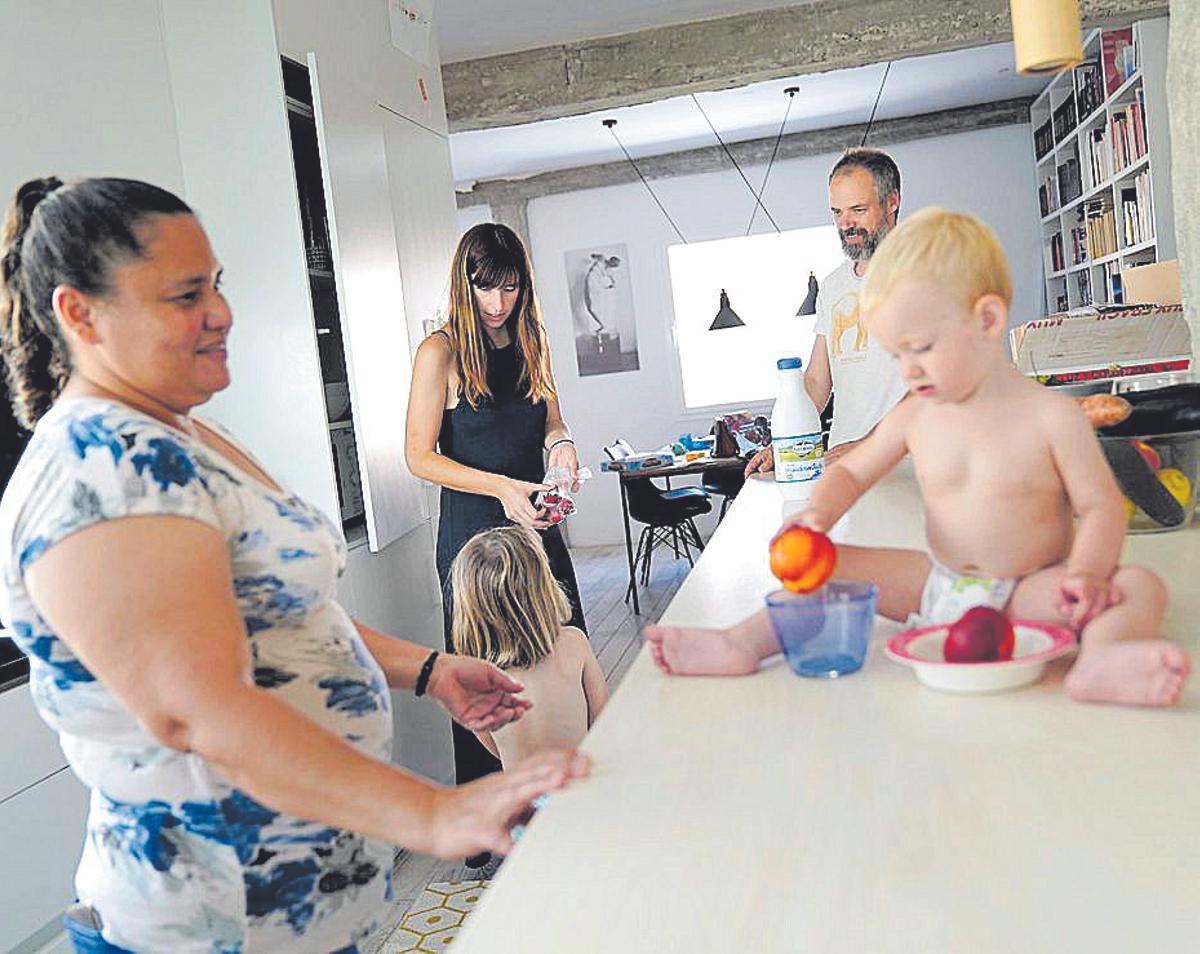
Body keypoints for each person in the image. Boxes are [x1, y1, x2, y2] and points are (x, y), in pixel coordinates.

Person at [0, 177, 588, 953]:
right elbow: (200, 711)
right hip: (207, 925)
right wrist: (434, 812)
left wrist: (428, 668)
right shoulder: (93, 471)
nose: (222, 313)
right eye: (185, 295)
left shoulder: (183, 438)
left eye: (217, 285)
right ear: (80, 314)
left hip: (295, 912)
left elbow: (281, 612)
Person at [648, 208, 1191, 708]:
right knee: (823, 570)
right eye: (896, 354)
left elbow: (1101, 509)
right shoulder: (916, 415)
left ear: (985, 319)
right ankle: (740, 643)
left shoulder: (1052, 416)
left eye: (921, 348)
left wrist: (1089, 574)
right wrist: (815, 519)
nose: (907, 371)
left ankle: (1099, 662)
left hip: (1030, 593)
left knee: (1139, 586)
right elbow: (854, 472)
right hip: (936, 584)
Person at [406, 223, 587, 792]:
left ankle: (579, 786)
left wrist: (562, 446)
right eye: (486, 289)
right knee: (483, 677)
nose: (498, 303)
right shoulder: (440, 352)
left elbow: (551, 420)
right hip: (473, 538)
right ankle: (491, 809)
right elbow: (418, 456)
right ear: (466, 285)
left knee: (563, 655)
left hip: (535, 525)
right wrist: (502, 487)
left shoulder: (534, 339)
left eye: (510, 289)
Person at [746, 148, 908, 474]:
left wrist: (870, 445)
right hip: (844, 468)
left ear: (892, 202)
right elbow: (818, 380)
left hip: (908, 468)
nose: (846, 224)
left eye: (858, 210)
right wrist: (786, 444)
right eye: (837, 212)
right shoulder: (834, 286)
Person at [450, 526, 608, 769]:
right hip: (577, 787)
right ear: (543, 587)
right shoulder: (573, 644)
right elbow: (603, 719)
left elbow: (495, 749)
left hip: (522, 798)